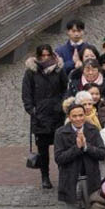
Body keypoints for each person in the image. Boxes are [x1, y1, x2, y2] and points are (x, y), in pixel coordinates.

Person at [55, 101, 105, 209]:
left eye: (80, 115)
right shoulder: (61, 133)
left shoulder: (92, 130)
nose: (78, 119)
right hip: (71, 180)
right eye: (74, 116)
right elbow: (59, 158)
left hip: (90, 180)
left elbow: (102, 153)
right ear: (69, 117)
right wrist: (76, 148)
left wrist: (85, 147)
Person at [22, 44, 66, 190]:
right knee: (43, 150)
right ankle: (45, 177)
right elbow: (26, 94)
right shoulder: (31, 72)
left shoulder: (59, 70)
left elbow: (65, 89)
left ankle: (63, 175)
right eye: (43, 55)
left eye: (48, 55)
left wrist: (61, 105)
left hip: (56, 115)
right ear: (38, 56)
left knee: (60, 148)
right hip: (40, 117)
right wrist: (32, 110)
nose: (45, 58)